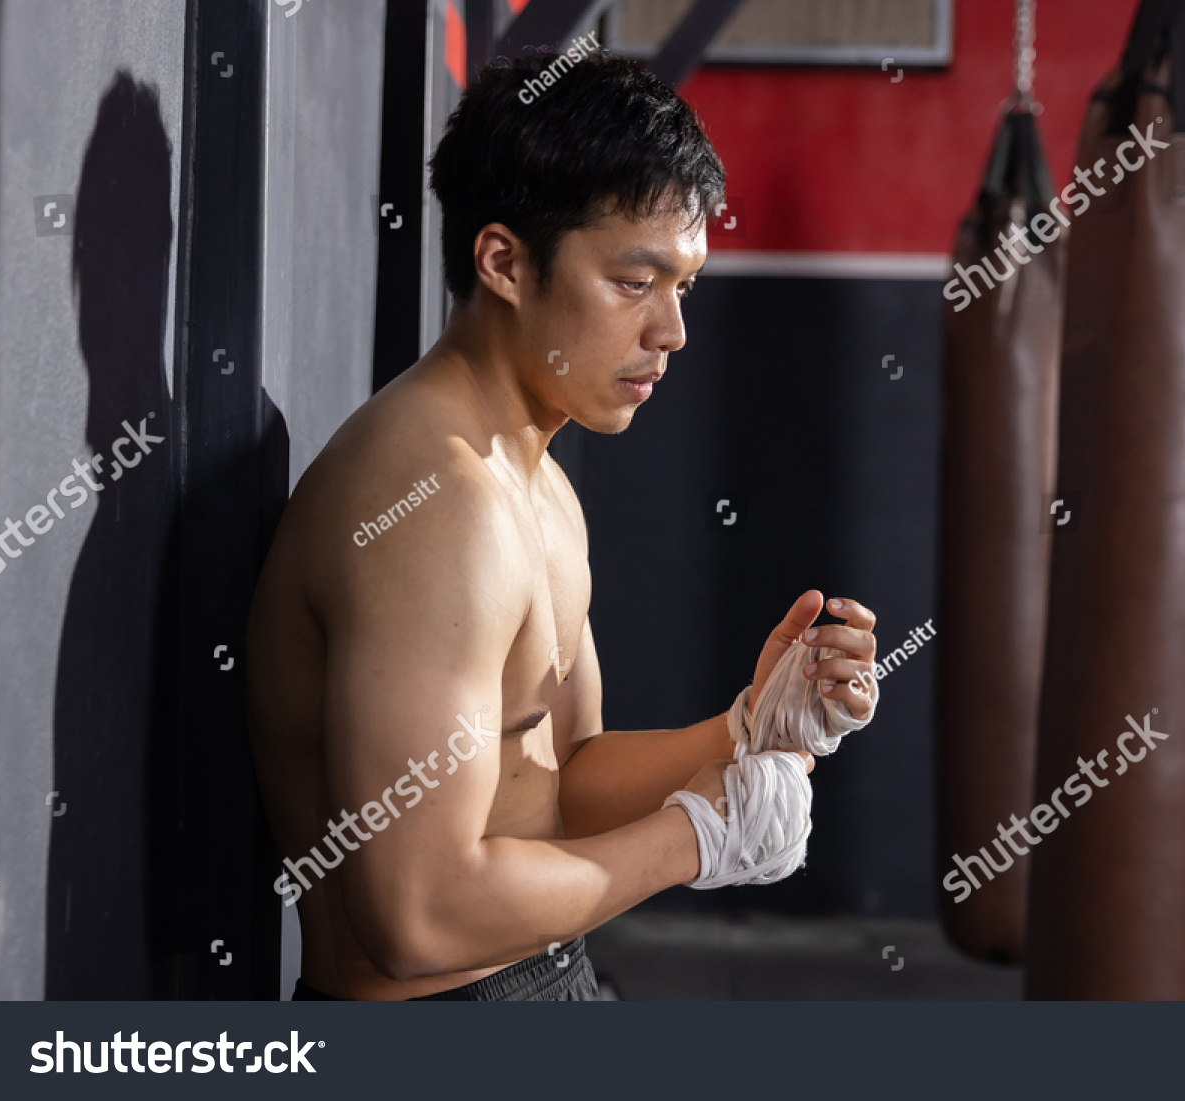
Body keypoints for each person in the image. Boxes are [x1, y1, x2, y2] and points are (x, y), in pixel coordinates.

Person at [245, 50, 878, 1001]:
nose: (672, 331)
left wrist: (742, 730)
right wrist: (694, 838)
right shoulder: (434, 502)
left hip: (548, 980)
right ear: (504, 262)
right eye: (635, 281)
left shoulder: (538, 484)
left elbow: (560, 781)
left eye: (684, 286)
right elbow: (416, 917)